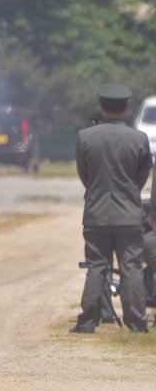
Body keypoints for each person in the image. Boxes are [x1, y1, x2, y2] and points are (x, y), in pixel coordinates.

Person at [71, 83, 151, 334]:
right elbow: (142, 174)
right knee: (131, 268)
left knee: (97, 266)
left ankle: (88, 320)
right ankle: (137, 322)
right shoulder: (139, 138)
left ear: (102, 107)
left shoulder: (85, 137)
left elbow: (85, 175)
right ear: (126, 108)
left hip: (95, 213)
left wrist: (96, 191)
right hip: (129, 214)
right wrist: (129, 193)